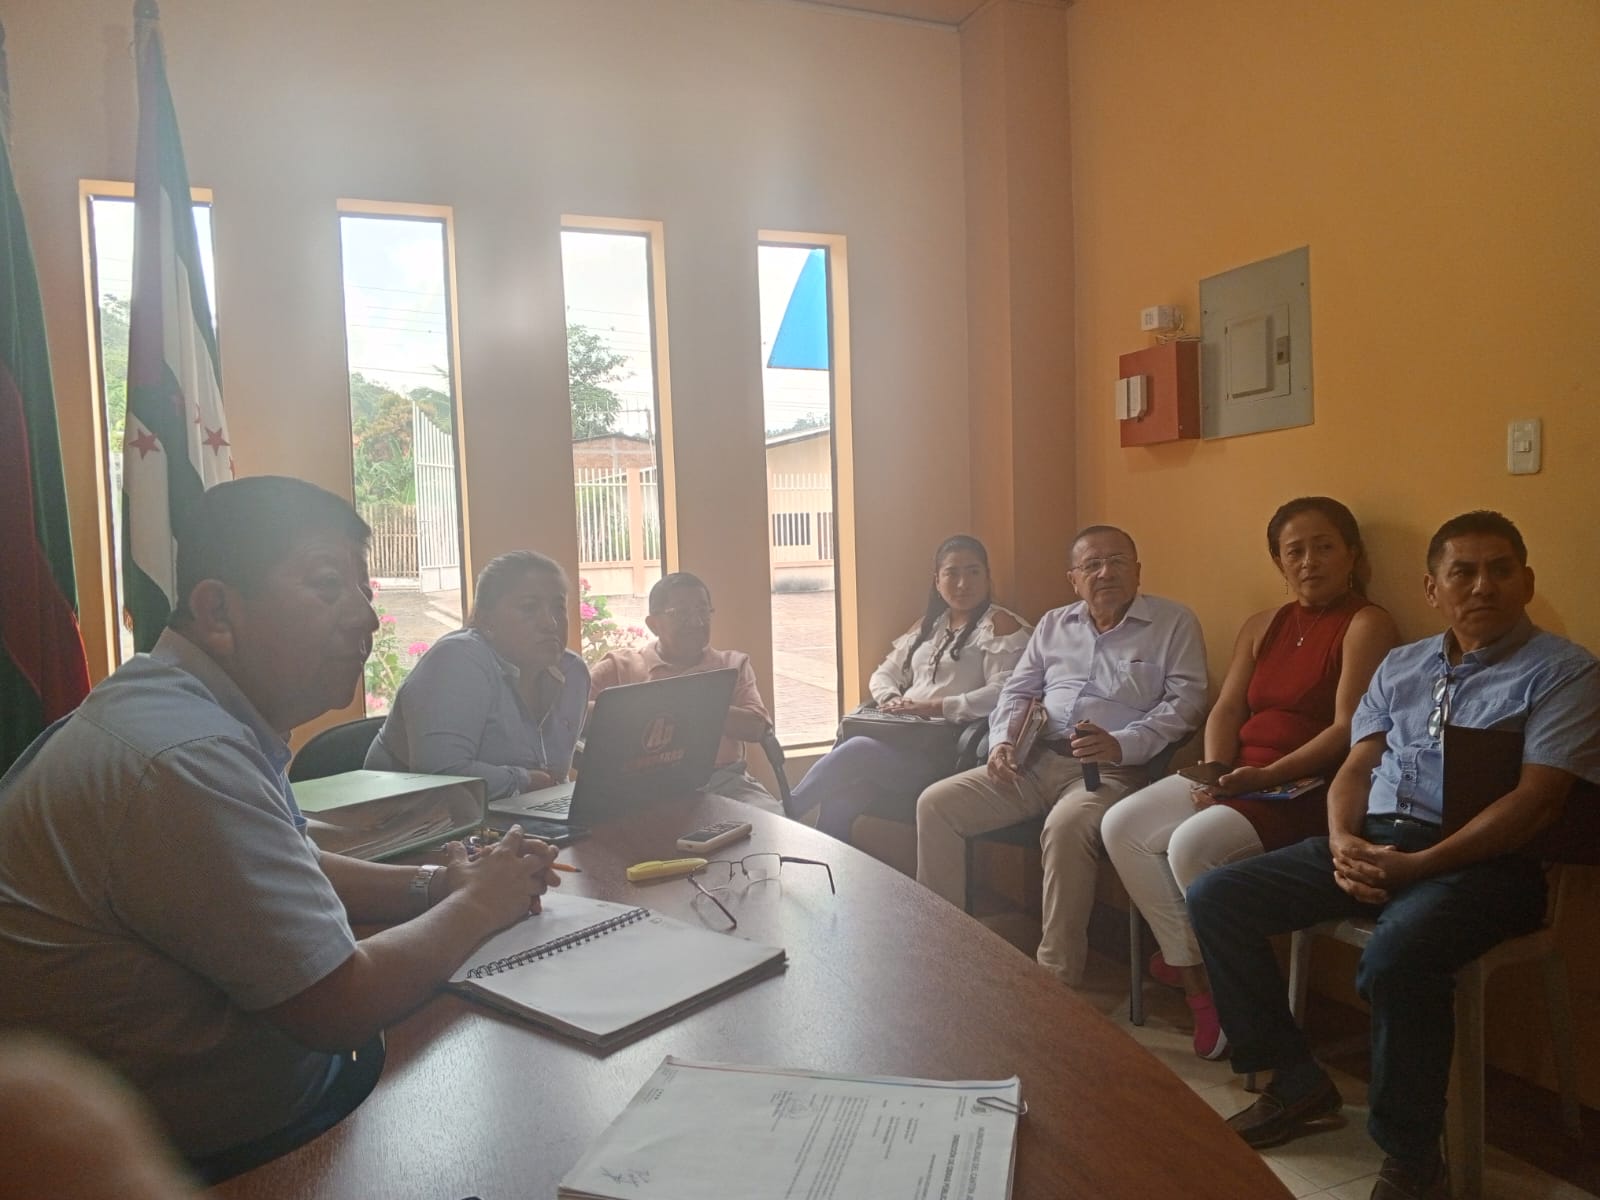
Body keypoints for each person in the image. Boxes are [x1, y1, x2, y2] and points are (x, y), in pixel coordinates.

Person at [0, 478, 562, 1180]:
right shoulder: (182, 756)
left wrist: (436, 884)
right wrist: (480, 902)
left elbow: (290, 856)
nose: (367, 617)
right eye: (327, 586)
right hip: (217, 1161)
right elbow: (340, 1004)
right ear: (218, 610)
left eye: (364, 590)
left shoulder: (177, 705)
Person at [1188, 511, 1600, 1200]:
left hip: (1488, 866)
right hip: (1379, 840)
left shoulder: (1563, 671)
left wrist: (1419, 867)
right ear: (1433, 589)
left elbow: (1537, 802)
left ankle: (1411, 1155)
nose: (1482, 585)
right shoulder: (1403, 665)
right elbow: (1358, 763)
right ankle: (1295, 1080)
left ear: (1526, 582)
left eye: (1500, 570)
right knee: (1217, 896)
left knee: (1396, 954)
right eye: (1462, 572)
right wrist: (1342, 840)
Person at [1102, 498, 1399, 1059]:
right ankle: (1198, 979)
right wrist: (1218, 772)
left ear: (1352, 555)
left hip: (1306, 786)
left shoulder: (1367, 623)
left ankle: (1230, 1003)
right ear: (1279, 562)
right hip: (1239, 774)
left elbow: (1348, 729)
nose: (1309, 561)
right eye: (1295, 551)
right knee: (1123, 824)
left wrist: (1263, 776)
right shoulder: (1263, 625)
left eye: (1324, 547)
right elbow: (1228, 708)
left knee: (1192, 845)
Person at [917, 525, 1208, 987]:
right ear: (1074, 579)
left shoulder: (1173, 624)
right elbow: (1017, 691)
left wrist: (1124, 742)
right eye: (1091, 565)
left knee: (1066, 826)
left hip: (1109, 772)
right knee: (936, 804)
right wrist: (1003, 742)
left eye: (1117, 561)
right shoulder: (1054, 624)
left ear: (1138, 570)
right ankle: (943, 946)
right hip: (1033, 762)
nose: (1105, 572)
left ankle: (1056, 978)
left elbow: (1186, 704)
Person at [794, 534, 1030, 843]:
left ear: (987, 577)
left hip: (946, 751)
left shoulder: (999, 624)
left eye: (973, 572)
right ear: (937, 580)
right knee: (841, 800)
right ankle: (822, 867)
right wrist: (892, 699)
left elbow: (1004, 692)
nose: (963, 583)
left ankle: (783, 813)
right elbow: (884, 674)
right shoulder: (929, 625)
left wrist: (934, 707)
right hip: (902, 737)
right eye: (952, 573)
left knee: (856, 750)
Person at [366, 550, 590, 800]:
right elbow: (441, 777)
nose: (551, 623)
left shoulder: (573, 673)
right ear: (486, 621)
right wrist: (523, 780)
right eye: (529, 608)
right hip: (402, 815)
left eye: (559, 607)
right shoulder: (457, 660)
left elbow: (554, 779)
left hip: (514, 815)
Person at [588, 572, 782, 814]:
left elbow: (757, 727)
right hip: (640, 786)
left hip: (723, 781)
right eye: (681, 613)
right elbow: (571, 714)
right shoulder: (620, 666)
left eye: (703, 611)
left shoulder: (732, 665)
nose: (697, 622)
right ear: (653, 624)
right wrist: (640, 710)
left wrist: (690, 705)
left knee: (773, 822)